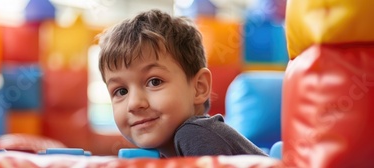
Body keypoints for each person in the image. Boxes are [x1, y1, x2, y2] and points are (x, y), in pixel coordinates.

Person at [97, 9, 267, 157]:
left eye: (154, 82)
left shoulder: (194, 134)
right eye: (121, 91)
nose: (134, 104)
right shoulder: (167, 150)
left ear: (199, 87)